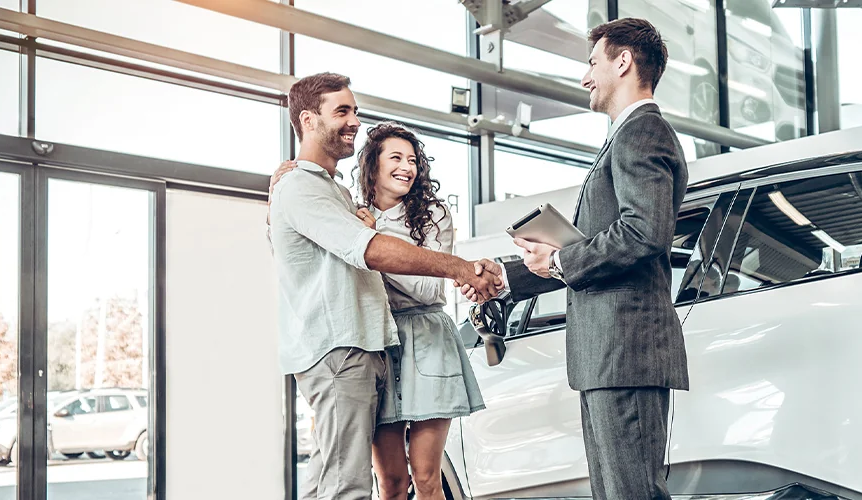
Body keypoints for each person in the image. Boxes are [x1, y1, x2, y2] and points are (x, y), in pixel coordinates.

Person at [460, 18, 689, 500]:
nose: (585, 77)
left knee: (632, 493)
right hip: (607, 353)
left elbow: (643, 233)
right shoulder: (626, 138)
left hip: (626, 349)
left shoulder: (642, 133)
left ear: (623, 61)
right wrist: (508, 277)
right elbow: (596, 248)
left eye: (592, 63)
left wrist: (563, 259)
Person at [268, 72, 502, 500]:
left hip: (371, 346)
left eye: (356, 110)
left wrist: (462, 271)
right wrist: (461, 268)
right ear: (307, 120)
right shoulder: (305, 187)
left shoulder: (330, 190)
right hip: (342, 349)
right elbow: (368, 251)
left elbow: (372, 259)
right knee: (352, 483)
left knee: (336, 477)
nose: (354, 120)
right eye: (342, 111)